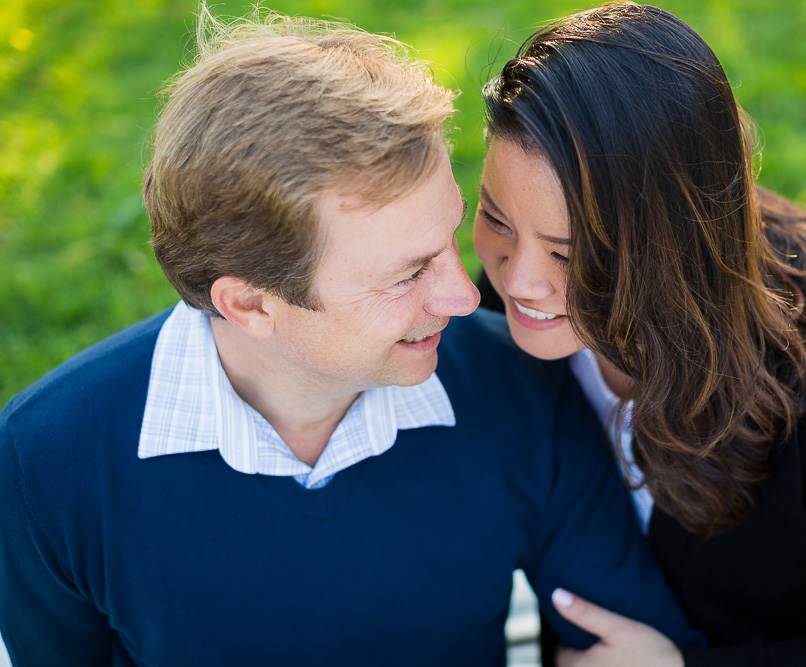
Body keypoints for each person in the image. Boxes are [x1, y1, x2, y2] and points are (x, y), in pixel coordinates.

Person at [0, 8, 706, 666]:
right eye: (408, 274)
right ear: (249, 302)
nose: (466, 297)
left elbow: (635, 644)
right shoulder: (46, 465)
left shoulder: (520, 394)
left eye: (449, 238)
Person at [473, 2, 806, 665]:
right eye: (496, 216)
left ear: (674, 245)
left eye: (572, 253)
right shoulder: (510, 299)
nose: (517, 280)